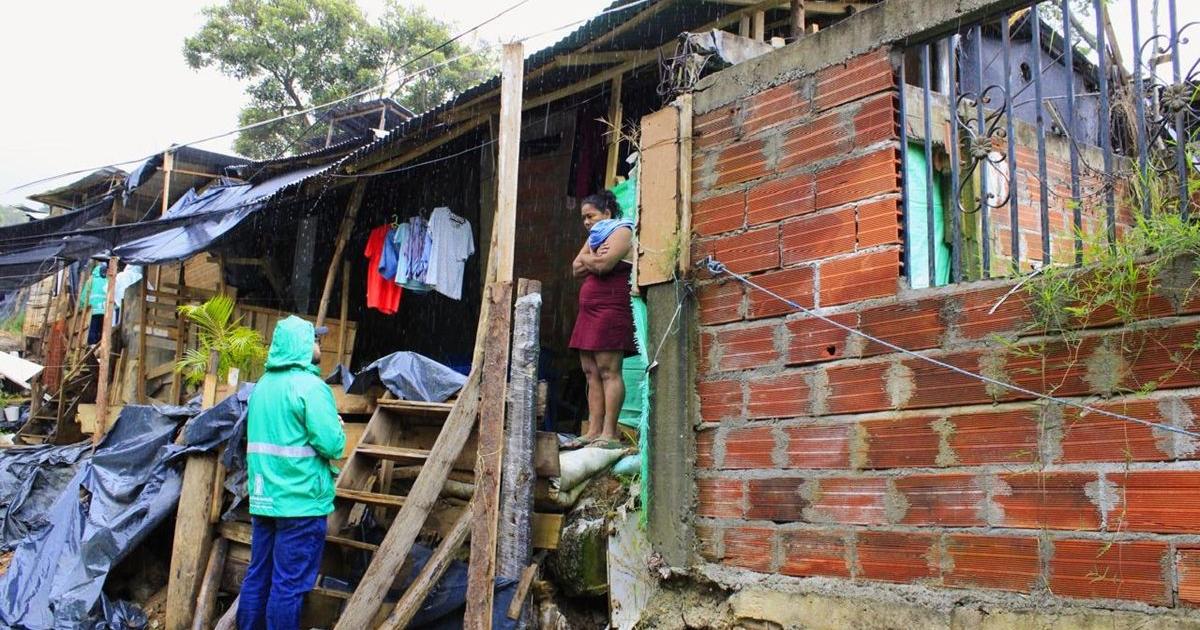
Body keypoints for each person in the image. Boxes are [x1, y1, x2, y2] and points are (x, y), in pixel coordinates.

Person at [238, 316, 345, 630]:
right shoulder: (311, 388)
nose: (319, 345)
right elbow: (331, 445)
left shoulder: (262, 388)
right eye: (314, 339)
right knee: (289, 585)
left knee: (258, 575)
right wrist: (338, 429)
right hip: (300, 502)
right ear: (301, 346)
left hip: (264, 499)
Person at [566, 190, 636, 449]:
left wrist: (589, 258)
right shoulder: (596, 236)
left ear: (607, 213)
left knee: (609, 371)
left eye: (590, 216)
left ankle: (610, 433)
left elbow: (603, 266)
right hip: (589, 311)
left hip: (610, 309)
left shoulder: (622, 231)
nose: (586, 222)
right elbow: (576, 268)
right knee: (590, 372)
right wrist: (590, 258)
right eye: (583, 217)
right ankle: (593, 430)